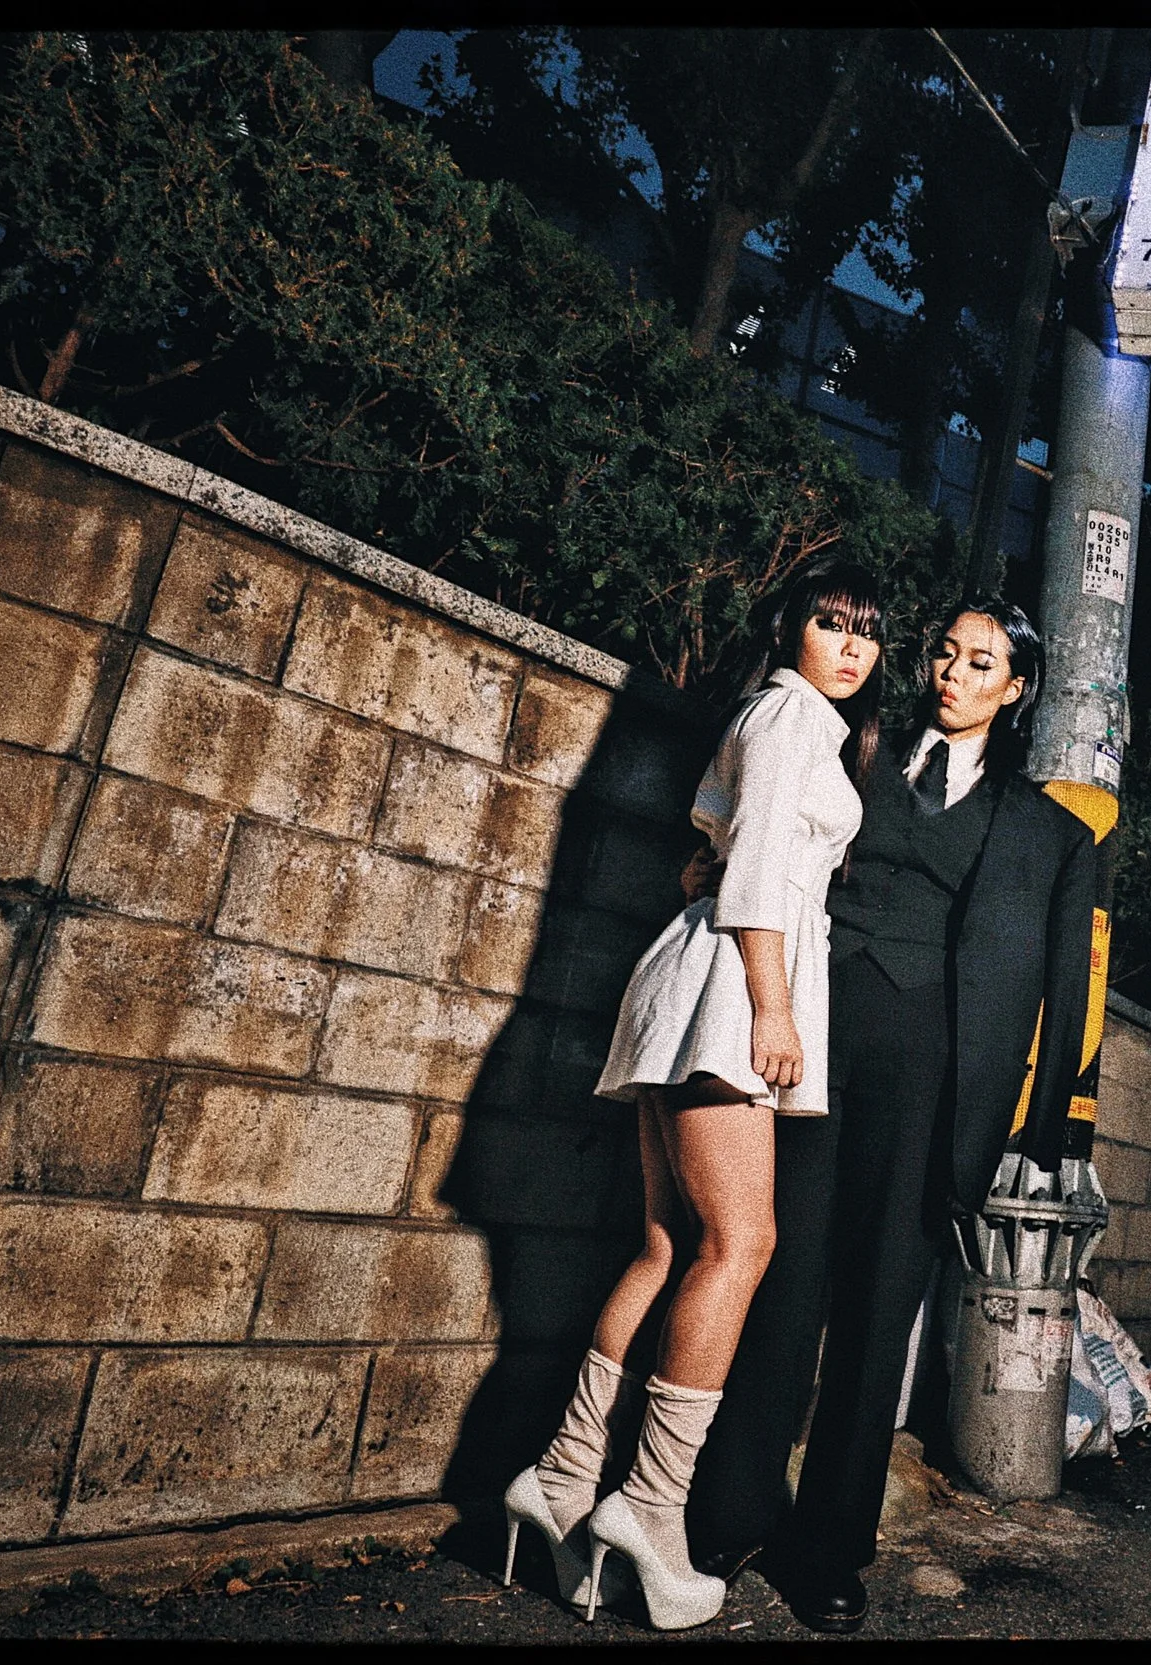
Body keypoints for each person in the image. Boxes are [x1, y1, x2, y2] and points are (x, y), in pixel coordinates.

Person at [679, 597, 1099, 1633]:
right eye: (946, 654)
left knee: (877, 1318)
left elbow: (1066, 986)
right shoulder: (851, 751)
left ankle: (828, 1547)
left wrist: (1044, 1132)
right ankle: (730, 1513)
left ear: (1017, 688)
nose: (953, 673)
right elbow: (769, 834)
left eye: (981, 662)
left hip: (935, 1082)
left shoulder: (1048, 830)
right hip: (814, 1041)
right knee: (784, 1280)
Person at [502, 560, 886, 1631]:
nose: (851, 647)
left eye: (866, 633)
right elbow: (757, 866)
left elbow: (717, 852)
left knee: (669, 1245)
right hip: (734, 988)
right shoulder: (795, 718)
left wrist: (712, 891)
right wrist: (773, 1009)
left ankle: (563, 1476)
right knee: (741, 1244)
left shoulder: (770, 714)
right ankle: (652, 1506)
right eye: (831, 623)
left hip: (700, 971)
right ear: (792, 628)